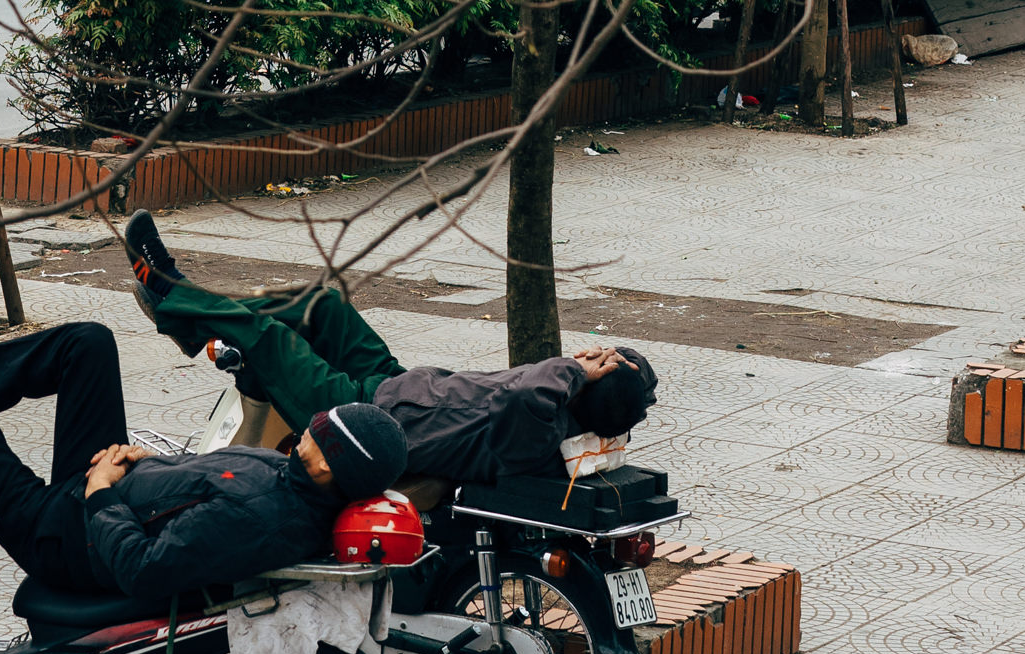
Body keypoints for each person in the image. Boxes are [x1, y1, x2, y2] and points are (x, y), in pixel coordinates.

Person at [0, 272, 407, 604]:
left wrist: (100, 493)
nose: (311, 424)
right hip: (111, 482)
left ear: (329, 468)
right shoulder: (291, 481)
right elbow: (199, 493)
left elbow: (145, 570)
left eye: (323, 432)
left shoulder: (265, 513)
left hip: (61, 532)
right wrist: (153, 461)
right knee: (89, 343)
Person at [119, 213, 656, 497]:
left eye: (599, 359)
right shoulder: (559, 408)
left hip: (371, 417)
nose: (589, 352)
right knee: (322, 306)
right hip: (392, 384)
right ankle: (189, 312)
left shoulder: (541, 421)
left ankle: (168, 289)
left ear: (588, 386)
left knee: (267, 337)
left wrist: (572, 370)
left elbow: (525, 395)